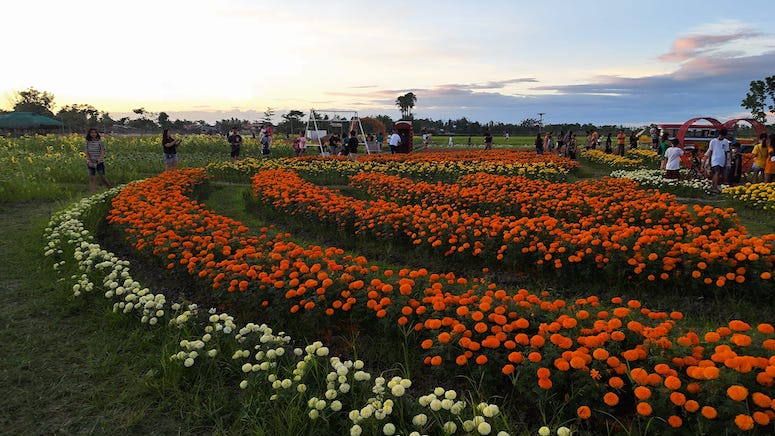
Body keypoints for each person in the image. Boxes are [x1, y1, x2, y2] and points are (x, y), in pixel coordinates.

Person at [707, 129, 730, 193]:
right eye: (721, 135)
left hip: (722, 160)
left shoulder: (726, 142)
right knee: (716, 172)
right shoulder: (713, 141)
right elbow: (710, 151)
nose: (721, 137)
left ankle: (713, 186)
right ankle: (715, 187)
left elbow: (726, 152)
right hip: (715, 159)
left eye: (723, 136)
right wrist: (709, 161)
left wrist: (725, 161)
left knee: (716, 174)